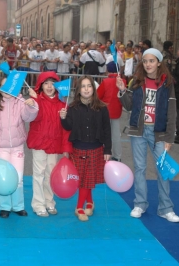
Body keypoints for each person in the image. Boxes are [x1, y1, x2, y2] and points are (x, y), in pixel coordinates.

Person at [116, 48, 179, 223]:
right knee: (140, 168)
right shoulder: (137, 82)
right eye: (145, 61)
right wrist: (122, 91)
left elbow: (172, 112)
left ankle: (165, 208)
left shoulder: (167, 84)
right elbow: (130, 106)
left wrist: (169, 137)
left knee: (163, 171)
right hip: (139, 131)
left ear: (159, 62)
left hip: (159, 132)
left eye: (151, 61)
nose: (148, 64)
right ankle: (140, 204)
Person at [60, 76, 111, 222]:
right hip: (78, 148)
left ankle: (79, 207)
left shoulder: (102, 108)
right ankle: (90, 202)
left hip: (96, 148)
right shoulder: (73, 107)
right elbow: (68, 127)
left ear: (93, 89)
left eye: (89, 86)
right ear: (78, 90)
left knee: (87, 178)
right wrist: (63, 118)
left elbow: (107, 130)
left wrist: (108, 149)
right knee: (83, 179)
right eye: (83, 86)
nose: (86, 89)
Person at [0, 77, 39, 218]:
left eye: (10, 86)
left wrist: (31, 105)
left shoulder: (21, 102)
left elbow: (29, 117)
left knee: (18, 178)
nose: (7, 90)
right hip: (1, 149)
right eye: (4, 86)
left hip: (17, 148)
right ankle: (5, 207)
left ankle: (18, 206)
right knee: (4, 177)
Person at [27, 72, 72, 217]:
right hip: (40, 143)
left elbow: (66, 129)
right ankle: (38, 204)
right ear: (40, 85)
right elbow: (35, 118)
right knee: (38, 174)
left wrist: (66, 149)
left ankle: (49, 202)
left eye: (53, 83)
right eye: (46, 83)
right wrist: (34, 101)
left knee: (51, 174)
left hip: (54, 144)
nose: (49, 86)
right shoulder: (36, 100)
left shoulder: (62, 104)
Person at [97, 64, 126, 162]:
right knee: (116, 135)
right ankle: (117, 156)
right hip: (117, 111)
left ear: (107, 70)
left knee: (104, 134)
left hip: (105, 111)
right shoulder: (123, 81)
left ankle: (104, 154)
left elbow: (98, 96)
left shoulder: (105, 81)